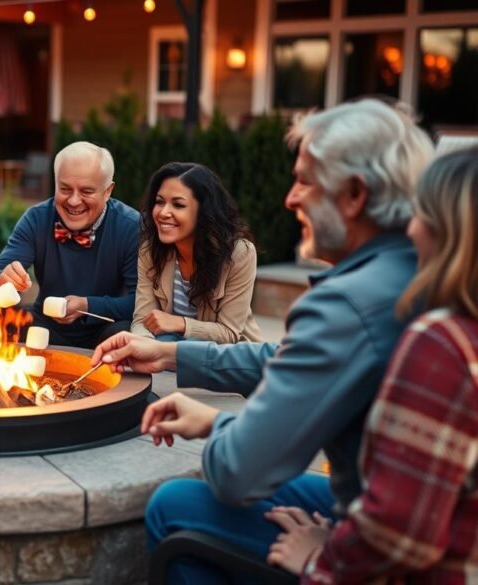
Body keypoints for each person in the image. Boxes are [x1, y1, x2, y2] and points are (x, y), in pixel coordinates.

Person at [90, 98, 434, 583]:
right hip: (412, 512)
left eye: (304, 181)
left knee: (175, 504)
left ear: (355, 195)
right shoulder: (415, 272)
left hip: (382, 535)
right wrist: (170, 354)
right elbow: (285, 358)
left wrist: (219, 428)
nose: (290, 198)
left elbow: (237, 472)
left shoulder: (346, 303)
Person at [267, 148, 478, 583]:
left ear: (450, 231)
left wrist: (315, 560)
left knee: (178, 509)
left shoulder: (443, 343)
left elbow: (399, 535)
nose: (408, 231)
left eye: (418, 215)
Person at [0, 141, 140, 349]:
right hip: (45, 327)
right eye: (65, 188)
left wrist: (88, 305)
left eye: (86, 191)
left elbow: (141, 302)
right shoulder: (36, 218)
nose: (74, 201)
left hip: (106, 330)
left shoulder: (131, 226)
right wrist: (2, 279)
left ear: (108, 191)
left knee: (129, 333)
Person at [131, 162, 261, 343]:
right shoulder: (150, 250)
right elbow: (141, 320)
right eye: (159, 202)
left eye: (178, 205)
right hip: (166, 346)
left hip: (223, 355)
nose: (163, 213)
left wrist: (181, 324)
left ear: (203, 211)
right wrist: (143, 344)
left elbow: (229, 333)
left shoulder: (239, 254)